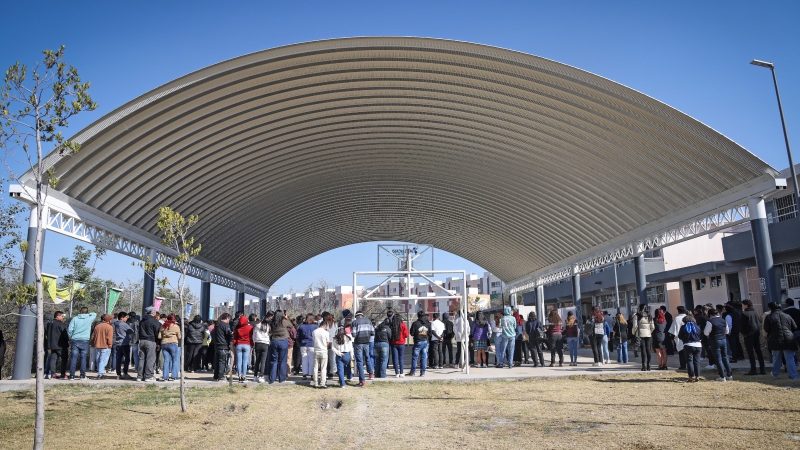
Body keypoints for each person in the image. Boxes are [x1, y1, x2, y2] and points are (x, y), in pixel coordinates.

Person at [764, 302, 798, 380]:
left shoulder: (769, 317)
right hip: (789, 338)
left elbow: (766, 329)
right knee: (790, 359)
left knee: (776, 358)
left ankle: (775, 374)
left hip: (775, 339)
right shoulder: (787, 316)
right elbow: (794, 327)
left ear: (770, 308)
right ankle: (793, 376)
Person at [68, 306, 97, 380]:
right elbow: (94, 314)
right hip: (85, 340)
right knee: (83, 358)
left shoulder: (75, 318)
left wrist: (71, 336)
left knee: (74, 358)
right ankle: (82, 375)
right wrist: (88, 314)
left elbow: (70, 329)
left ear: (80, 311)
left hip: (75, 339)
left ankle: (72, 375)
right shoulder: (89, 318)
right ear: (87, 312)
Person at [704, 307, 732, 381]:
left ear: (710, 314)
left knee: (718, 359)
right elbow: (727, 331)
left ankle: (722, 376)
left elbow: (706, 333)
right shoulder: (723, 320)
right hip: (723, 340)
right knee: (725, 357)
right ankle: (729, 375)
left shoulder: (710, 321)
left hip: (715, 341)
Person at [740, 299, 765, 375]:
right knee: (758, 351)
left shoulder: (744, 314)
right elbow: (759, 322)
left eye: (743, 304)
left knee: (750, 353)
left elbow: (742, 326)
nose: (742, 306)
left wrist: (743, 333)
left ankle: (753, 369)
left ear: (746, 305)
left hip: (748, 335)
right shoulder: (755, 312)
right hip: (756, 333)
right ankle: (762, 369)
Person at [268, 310, 293, 383]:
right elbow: (291, 325)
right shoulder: (284, 321)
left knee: (274, 360)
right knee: (282, 361)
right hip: (283, 341)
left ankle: (272, 378)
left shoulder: (272, 322)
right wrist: (286, 318)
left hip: (274, 341)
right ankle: (281, 378)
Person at [136, 307, 160, 382]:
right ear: (152, 312)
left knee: (141, 359)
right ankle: (148, 376)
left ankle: (139, 376)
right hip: (151, 341)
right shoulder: (154, 321)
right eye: (155, 311)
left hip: (141, 341)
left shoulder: (142, 321)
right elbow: (157, 332)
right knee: (150, 359)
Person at [352, 311, 375, 386]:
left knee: (359, 361)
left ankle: (362, 381)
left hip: (358, 343)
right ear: (362, 315)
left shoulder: (355, 322)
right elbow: (372, 333)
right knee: (367, 358)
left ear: (356, 316)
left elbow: (354, 334)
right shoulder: (368, 321)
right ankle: (371, 374)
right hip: (367, 343)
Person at [678, 313, 702, 382]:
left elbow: (680, 336)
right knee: (697, 361)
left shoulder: (683, 327)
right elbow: (701, 335)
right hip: (698, 345)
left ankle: (691, 376)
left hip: (688, 345)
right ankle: (697, 376)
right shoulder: (697, 326)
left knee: (689, 361)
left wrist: (684, 339)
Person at [45, 311, 68, 379]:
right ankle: (63, 374)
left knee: (53, 359)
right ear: (57, 316)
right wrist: (67, 341)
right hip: (61, 345)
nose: (63, 317)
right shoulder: (61, 324)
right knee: (64, 359)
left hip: (51, 345)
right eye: (62, 316)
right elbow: (64, 334)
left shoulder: (49, 324)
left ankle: (53, 374)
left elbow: (47, 332)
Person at [158, 314, 181, 382]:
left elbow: (159, 336)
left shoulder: (163, 326)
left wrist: (165, 336)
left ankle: (165, 377)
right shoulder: (176, 326)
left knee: (166, 360)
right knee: (174, 360)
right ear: (174, 319)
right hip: (173, 343)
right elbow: (179, 337)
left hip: (164, 344)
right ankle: (174, 376)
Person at [91, 314, 114, 379]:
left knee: (98, 359)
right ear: (108, 320)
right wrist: (110, 345)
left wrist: (92, 343)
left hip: (97, 345)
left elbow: (93, 336)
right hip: (105, 346)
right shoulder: (109, 327)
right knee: (103, 360)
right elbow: (109, 338)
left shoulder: (97, 326)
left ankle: (100, 372)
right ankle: (100, 373)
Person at [409, 310, 431, 376]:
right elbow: (430, 333)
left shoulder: (415, 323)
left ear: (418, 316)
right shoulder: (428, 323)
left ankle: (413, 372)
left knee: (415, 357)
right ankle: (422, 373)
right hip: (425, 342)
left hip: (418, 341)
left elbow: (412, 333)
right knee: (424, 357)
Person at [212, 313, 233, 382]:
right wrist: (232, 336)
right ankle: (221, 377)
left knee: (217, 361)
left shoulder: (217, 325)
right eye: (229, 319)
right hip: (223, 346)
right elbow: (229, 334)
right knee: (222, 362)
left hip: (217, 345)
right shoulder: (225, 325)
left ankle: (216, 376)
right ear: (227, 318)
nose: (229, 321)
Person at [232, 315, 253, 382]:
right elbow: (252, 337)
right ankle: (244, 376)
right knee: (245, 361)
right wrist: (252, 344)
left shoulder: (237, 328)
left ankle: (239, 375)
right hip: (247, 345)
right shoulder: (250, 328)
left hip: (239, 345)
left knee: (239, 361)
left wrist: (235, 344)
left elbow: (234, 338)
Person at [297, 314, 318, 380]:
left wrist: (300, 343)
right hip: (312, 344)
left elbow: (298, 336)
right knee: (311, 360)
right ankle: (311, 374)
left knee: (304, 359)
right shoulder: (315, 327)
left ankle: (304, 374)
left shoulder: (301, 326)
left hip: (303, 344)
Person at [113, 312, 133, 379]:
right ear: (122, 317)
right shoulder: (123, 324)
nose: (127, 319)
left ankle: (118, 374)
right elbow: (131, 331)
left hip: (117, 343)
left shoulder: (115, 323)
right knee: (127, 359)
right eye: (126, 317)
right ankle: (125, 373)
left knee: (118, 359)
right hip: (124, 343)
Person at [252, 313, 271, 383]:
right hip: (265, 344)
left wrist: (254, 342)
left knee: (257, 361)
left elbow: (254, 335)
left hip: (258, 343)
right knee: (263, 361)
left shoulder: (256, 325)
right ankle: (261, 376)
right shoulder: (268, 326)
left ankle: (255, 376)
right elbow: (268, 335)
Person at [634, 306, 654, 371]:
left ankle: (643, 366)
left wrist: (634, 333)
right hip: (648, 335)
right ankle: (649, 365)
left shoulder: (637, 316)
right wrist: (649, 332)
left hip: (640, 334)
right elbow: (653, 327)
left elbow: (635, 326)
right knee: (648, 350)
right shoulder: (649, 316)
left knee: (643, 350)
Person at [312, 321, 331, 388]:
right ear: (325, 325)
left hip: (316, 350)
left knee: (315, 367)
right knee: (323, 368)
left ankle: (315, 383)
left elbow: (314, 340)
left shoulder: (314, 332)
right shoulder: (326, 333)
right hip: (323, 351)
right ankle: (323, 383)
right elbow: (328, 342)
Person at [669, 306, 687, 371]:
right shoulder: (688, 317)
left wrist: (672, 337)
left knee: (681, 353)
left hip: (680, 337)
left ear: (678, 311)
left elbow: (672, 330)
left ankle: (683, 365)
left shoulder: (677, 318)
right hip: (688, 338)